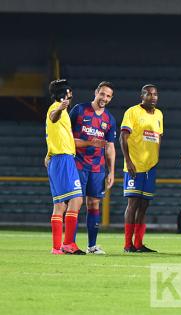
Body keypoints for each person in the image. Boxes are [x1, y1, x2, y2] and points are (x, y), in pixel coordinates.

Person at [69, 81, 117, 254]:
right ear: (96, 92)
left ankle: (92, 246)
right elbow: (65, 137)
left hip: (98, 168)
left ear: (111, 98)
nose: (104, 98)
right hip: (77, 164)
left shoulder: (109, 119)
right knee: (75, 203)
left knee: (94, 204)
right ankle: (69, 243)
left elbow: (110, 147)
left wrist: (111, 171)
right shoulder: (79, 110)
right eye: (102, 94)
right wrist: (88, 142)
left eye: (108, 96)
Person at [120, 84, 164, 253]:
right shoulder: (132, 112)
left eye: (155, 94)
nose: (153, 97)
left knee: (144, 205)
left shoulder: (159, 114)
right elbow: (123, 137)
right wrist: (128, 161)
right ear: (142, 96)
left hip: (150, 167)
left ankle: (138, 243)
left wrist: (156, 157)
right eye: (149, 94)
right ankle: (127, 244)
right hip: (134, 166)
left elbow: (158, 137)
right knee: (133, 204)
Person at [44, 79, 84, 254]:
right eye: (69, 93)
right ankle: (68, 243)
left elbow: (55, 133)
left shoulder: (60, 111)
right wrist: (60, 108)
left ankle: (56, 247)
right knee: (76, 200)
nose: (72, 95)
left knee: (60, 205)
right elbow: (54, 117)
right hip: (63, 159)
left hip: (57, 158)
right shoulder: (56, 108)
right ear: (64, 95)